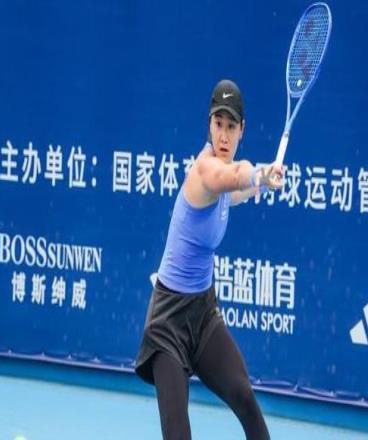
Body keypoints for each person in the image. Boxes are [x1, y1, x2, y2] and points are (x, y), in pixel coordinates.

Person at [135, 79, 283, 440]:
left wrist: (265, 179)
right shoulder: (205, 171)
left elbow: (240, 189)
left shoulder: (224, 185)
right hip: (168, 321)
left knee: (245, 398)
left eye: (231, 126)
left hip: (202, 314)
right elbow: (231, 176)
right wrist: (256, 173)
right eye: (218, 124)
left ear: (242, 130)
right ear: (209, 124)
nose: (224, 135)